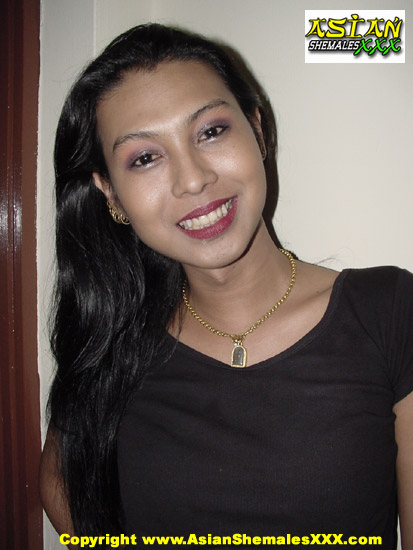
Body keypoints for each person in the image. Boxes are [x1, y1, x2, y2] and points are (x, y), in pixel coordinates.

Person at [39, 23, 413, 549]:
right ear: (111, 194)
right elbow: (58, 478)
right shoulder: (115, 343)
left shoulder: (389, 311)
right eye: (145, 157)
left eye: (211, 131)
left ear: (256, 131)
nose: (193, 179)